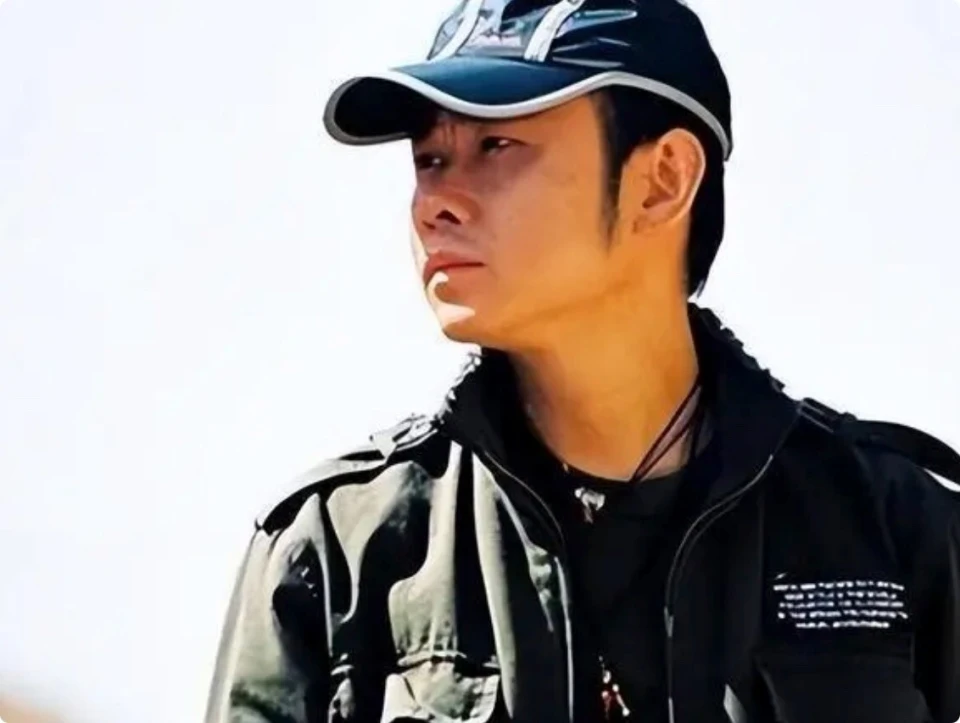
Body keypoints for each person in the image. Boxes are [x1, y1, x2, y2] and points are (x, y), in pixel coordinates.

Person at [204, 1, 960, 721]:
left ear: (663, 180)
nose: (435, 202)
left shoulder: (897, 524)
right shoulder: (339, 552)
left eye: (496, 146)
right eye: (429, 158)